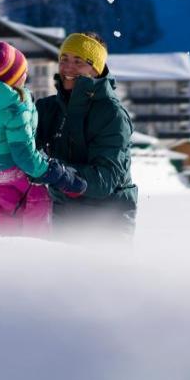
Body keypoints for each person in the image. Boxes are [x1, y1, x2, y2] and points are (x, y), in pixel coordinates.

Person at [0, 41, 86, 237]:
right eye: (23, 72)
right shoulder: (16, 107)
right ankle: (35, 249)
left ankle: (7, 249)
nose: (26, 76)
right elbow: (24, 155)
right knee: (38, 197)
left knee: (8, 208)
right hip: (13, 170)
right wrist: (57, 174)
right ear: (12, 78)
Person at [34, 32, 138, 238]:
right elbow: (24, 151)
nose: (68, 67)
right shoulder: (48, 108)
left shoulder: (111, 114)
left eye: (78, 61)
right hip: (63, 217)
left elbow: (105, 180)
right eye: (64, 59)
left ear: (95, 69)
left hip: (108, 222)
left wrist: (58, 173)